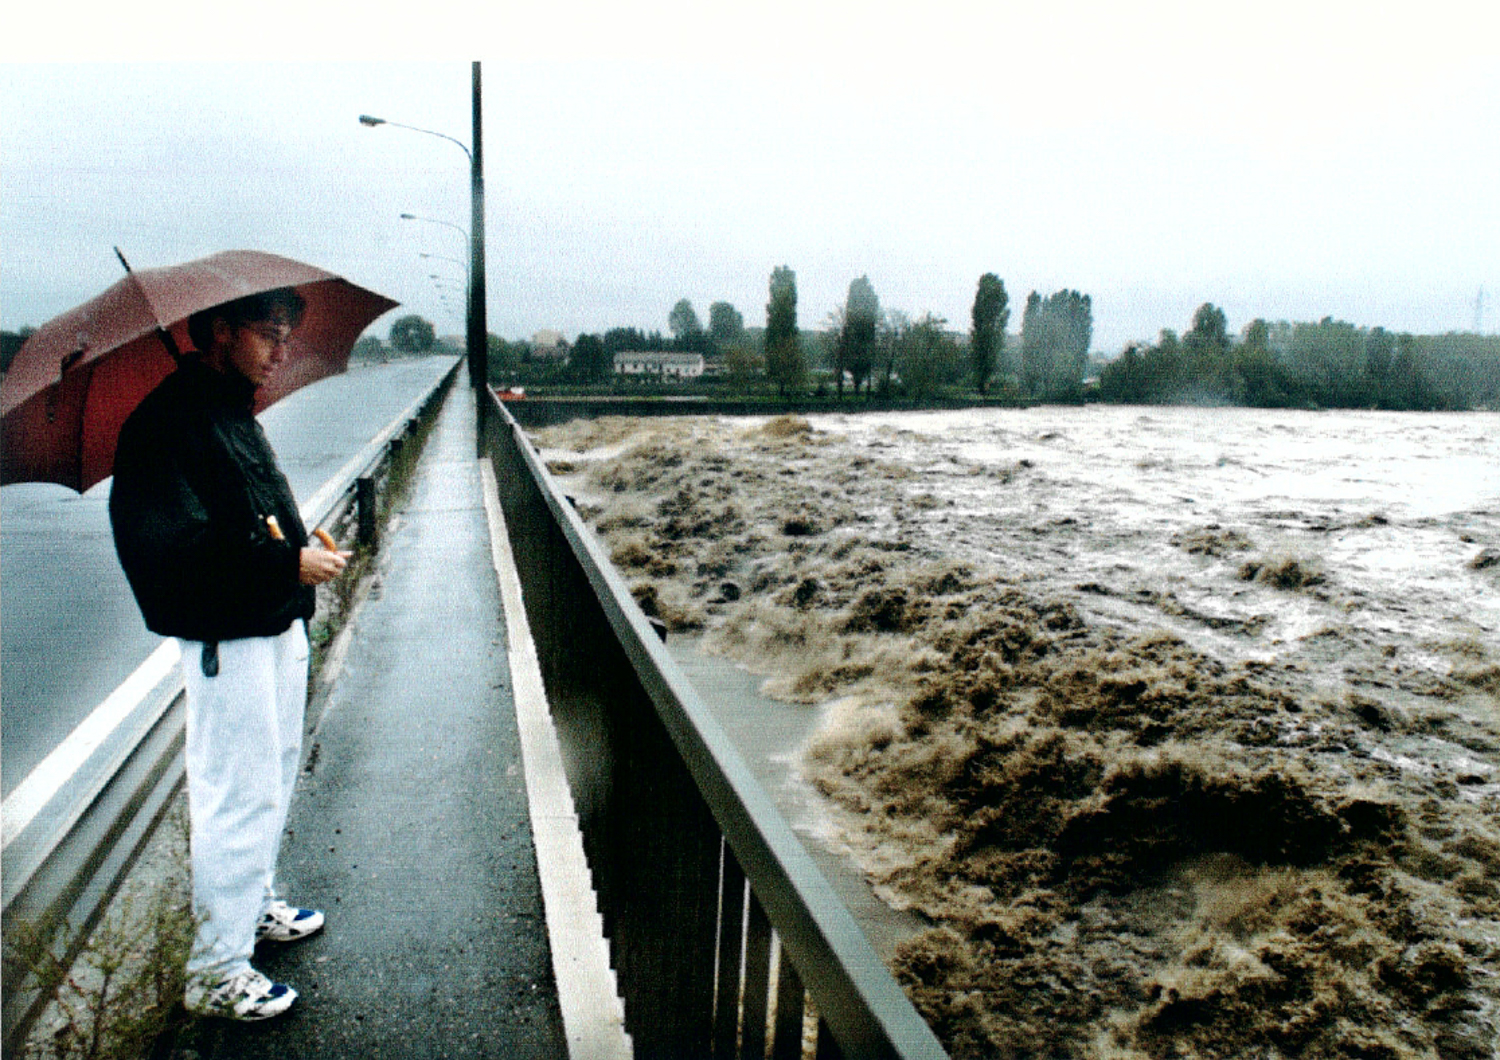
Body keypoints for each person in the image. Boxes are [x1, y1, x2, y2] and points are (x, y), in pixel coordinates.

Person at [109, 288, 352, 1020]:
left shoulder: (229, 409)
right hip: (229, 636)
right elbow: (169, 551)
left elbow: (252, 515)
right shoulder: (167, 423)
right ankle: (216, 971)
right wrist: (286, 564)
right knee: (236, 796)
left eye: (286, 335)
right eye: (270, 333)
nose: (282, 350)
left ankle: (253, 906)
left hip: (272, 622)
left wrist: (297, 552)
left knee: (270, 780)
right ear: (221, 331)